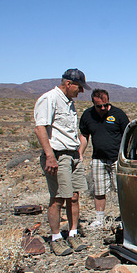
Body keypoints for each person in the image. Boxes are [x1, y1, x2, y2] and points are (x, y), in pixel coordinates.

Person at [34, 69, 90, 256]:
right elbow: (40, 128)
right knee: (57, 197)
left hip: (72, 154)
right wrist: (50, 156)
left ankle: (72, 233)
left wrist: (78, 154)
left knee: (74, 196)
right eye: (79, 87)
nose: (80, 92)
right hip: (58, 155)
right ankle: (56, 238)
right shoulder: (49, 99)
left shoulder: (69, 103)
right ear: (68, 83)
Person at [79, 88, 129, 228]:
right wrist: (80, 153)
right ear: (93, 103)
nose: (102, 108)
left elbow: (128, 135)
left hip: (117, 159)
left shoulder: (118, 114)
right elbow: (84, 135)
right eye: (99, 106)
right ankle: (99, 219)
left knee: (121, 190)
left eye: (105, 105)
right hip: (98, 158)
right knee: (99, 190)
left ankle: (125, 218)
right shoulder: (88, 115)